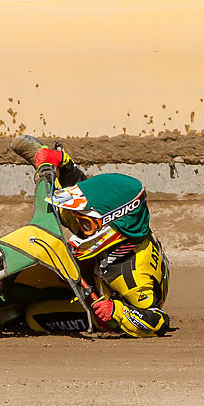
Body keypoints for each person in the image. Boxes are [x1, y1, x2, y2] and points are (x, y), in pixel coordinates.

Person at [16, 141, 173, 338]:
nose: (78, 226)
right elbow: (83, 206)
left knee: (33, 316)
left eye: (85, 223)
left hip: (103, 311)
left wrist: (116, 311)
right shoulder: (124, 233)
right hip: (99, 270)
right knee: (65, 218)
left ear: (112, 226)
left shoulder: (134, 278)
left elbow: (159, 321)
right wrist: (63, 164)